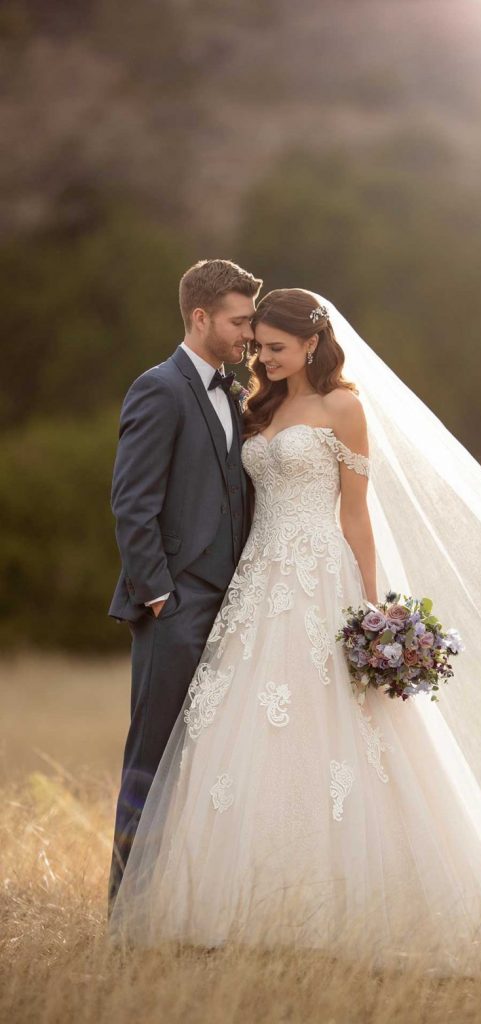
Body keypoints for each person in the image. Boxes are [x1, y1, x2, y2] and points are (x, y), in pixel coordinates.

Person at [109, 288, 481, 973]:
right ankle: (236, 908)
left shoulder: (345, 408)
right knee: (234, 735)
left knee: (341, 732)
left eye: (274, 347)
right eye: (257, 345)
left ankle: (341, 909)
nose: (261, 358)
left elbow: (356, 514)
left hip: (319, 577)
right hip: (257, 583)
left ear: (311, 343)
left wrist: (372, 603)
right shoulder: (256, 406)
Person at [107, 258, 262, 911]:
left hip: (238, 606)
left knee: (214, 763)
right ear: (199, 317)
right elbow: (131, 501)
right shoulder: (159, 388)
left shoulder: (238, 391)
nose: (249, 333)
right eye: (239, 321)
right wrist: (161, 594)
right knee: (152, 754)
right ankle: (126, 910)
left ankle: (186, 904)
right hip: (177, 605)